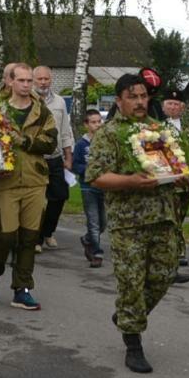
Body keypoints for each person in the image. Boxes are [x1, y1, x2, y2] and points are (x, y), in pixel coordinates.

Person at [87, 73, 179, 374]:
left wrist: (181, 174)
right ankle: (133, 342)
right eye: (133, 97)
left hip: (162, 216)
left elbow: (170, 166)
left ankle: (127, 315)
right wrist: (130, 181)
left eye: (143, 96)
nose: (140, 102)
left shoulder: (156, 129)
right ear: (119, 101)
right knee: (131, 284)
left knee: (164, 275)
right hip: (129, 223)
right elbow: (96, 177)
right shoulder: (109, 133)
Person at [0, 62, 57, 311]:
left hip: (35, 180)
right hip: (5, 180)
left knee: (29, 237)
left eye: (29, 81)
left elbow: (50, 142)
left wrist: (22, 140)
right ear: (10, 82)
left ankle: (22, 289)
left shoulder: (41, 111)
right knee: (5, 235)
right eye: (21, 80)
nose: (26, 85)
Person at [162, 91, 189, 283]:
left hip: (187, 183)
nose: (173, 107)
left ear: (182, 107)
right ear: (164, 107)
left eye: (176, 104)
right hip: (170, 184)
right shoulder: (159, 129)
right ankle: (176, 254)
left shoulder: (188, 129)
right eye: (169, 104)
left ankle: (175, 252)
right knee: (173, 219)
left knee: (181, 217)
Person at [33, 64, 73, 250]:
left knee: (59, 196)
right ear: (34, 80)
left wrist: (68, 157)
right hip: (35, 158)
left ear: (51, 79)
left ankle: (48, 232)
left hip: (55, 157)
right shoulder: (28, 101)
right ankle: (37, 239)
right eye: (39, 79)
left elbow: (66, 130)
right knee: (37, 200)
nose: (43, 82)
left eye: (46, 78)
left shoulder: (59, 102)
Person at [72, 108, 106, 266]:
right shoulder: (81, 145)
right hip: (88, 187)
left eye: (99, 121)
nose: (97, 125)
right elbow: (75, 164)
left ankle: (87, 239)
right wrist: (87, 172)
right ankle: (97, 253)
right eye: (93, 122)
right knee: (94, 221)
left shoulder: (106, 142)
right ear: (86, 124)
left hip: (104, 186)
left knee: (103, 222)